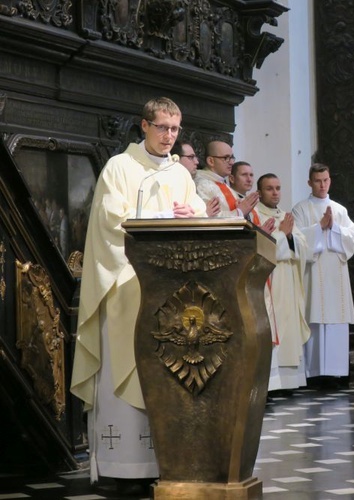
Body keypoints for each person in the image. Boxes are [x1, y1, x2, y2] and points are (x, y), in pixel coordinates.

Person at [70, 97, 207, 492]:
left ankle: (159, 465)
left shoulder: (181, 172)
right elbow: (112, 218)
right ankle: (119, 468)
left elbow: (194, 209)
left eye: (175, 130)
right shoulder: (120, 167)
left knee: (163, 376)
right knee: (122, 370)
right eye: (162, 127)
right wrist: (167, 216)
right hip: (126, 286)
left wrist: (195, 213)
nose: (169, 136)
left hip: (170, 292)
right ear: (144, 126)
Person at [291, 164, 354, 388]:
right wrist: (319, 227)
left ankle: (338, 373)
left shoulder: (339, 209)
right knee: (315, 320)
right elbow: (297, 239)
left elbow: (353, 236)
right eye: (318, 181)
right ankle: (315, 374)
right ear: (309, 182)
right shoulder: (300, 209)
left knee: (336, 322)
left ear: (330, 181)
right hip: (313, 275)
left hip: (336, 277)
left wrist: (335, 229)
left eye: (326, 180)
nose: (322, 185)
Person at [255, 173, 310, 392]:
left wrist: (289, 237)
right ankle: (272, 383)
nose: (275, 192)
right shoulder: (256, 215)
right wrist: (282, 235)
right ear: (259, 192)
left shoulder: (285, 216)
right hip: (270, 280)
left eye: (278, 188)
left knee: (289, 327)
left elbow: (303, 247)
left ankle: (290, 381)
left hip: (288, 280)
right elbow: (258, 246)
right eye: (269, 188)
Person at [194, 141, 257, 218]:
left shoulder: (222, 183)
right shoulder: (202, 185)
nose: (231, 162)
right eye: (226, 158)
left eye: (232, 158)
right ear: (211, 161)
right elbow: (209, 218)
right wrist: (240, 212)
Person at [172, 141, 220, 217]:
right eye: (191, 157)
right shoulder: (172, 184)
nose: (197, 162)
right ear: (176, 158)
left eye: (195, 157)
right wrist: (205, 215)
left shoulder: (190, 183)